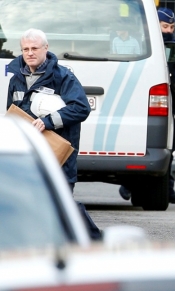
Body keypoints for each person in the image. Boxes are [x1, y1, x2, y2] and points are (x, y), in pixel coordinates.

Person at [7, 28, 102, 240]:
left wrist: (48, 122)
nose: (30, 53)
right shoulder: (16, 80)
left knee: (62, 203)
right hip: (30, 155)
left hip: (58, 153)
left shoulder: (63, 77)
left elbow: (81, 108)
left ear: (46, 48)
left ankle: (96, 241)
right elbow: (12, 114)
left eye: (34, 48)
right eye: (25, 49)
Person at [119, 8, 175, 205]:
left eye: (171, 26)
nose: (168, 30)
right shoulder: (145, 46)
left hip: (173, 105)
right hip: (154, 103)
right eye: (164, 26)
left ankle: (168, 189)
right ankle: (130, 185)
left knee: (170, 148)